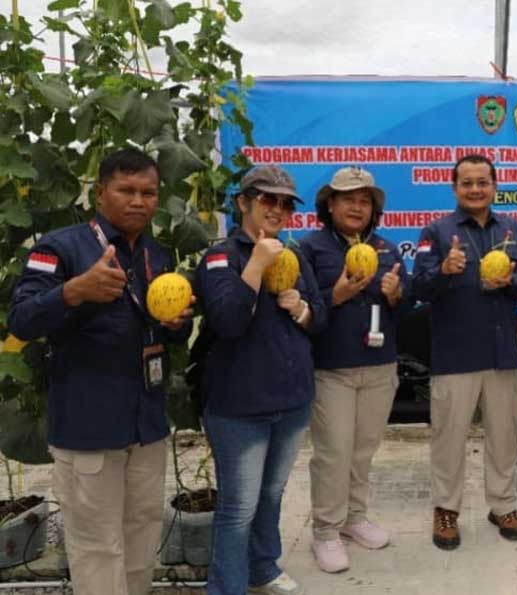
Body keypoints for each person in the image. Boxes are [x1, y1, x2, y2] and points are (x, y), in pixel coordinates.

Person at [7, 148, 192, 595]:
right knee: (96, 544)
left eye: (148, 192)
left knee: (143, 532)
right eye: (126, 190)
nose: (138, 201)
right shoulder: (61, 248)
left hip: (145, 424)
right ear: (100, 193)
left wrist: (176, 325)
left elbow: (166, 335)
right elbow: (22, 321)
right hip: (89, 425)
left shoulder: (157, 254)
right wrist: (73, 291)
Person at [195, 165, 326, 595]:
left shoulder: (296, 254)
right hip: (240, 407)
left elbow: (319, 318)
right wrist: (255, 266)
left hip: (292, 400)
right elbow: (229, 321)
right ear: (243, 203)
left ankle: (263, 568)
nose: (278, 209)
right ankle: (227, 586)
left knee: (272, 494)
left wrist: (301, 308)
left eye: (286, 203)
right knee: (238, 507)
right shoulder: (221, 257)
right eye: (268, 199)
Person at [412, 154, 517, 550]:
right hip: (456, 354)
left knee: (505, 436)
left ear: (494, 186)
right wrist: (444, 272)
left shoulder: (513, 228)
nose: (475, 189)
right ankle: (446, 509)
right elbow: (418, 288)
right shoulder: (436, 231)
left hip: (503, 354)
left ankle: (503, 505)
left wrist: (511, 280)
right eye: (466, 183)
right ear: (455, 188)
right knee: (448, 438)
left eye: (482, 182)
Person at [299, 166, 408, 573]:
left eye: (365, 201)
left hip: (380, 366)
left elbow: (406, 301)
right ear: (330, 204)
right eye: (348, 199)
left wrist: (398, 295)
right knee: (333, 453)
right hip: (333, 369)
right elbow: (304, 309)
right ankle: (325, 531)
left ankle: (353, 518)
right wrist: (337, 294)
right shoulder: (309, 250)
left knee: (363, 450)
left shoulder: (386, 248)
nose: (357, 207)